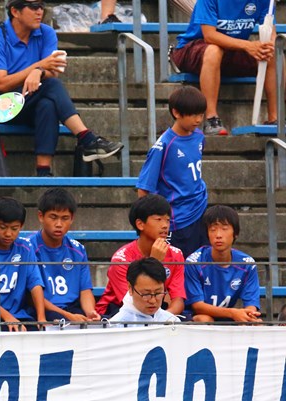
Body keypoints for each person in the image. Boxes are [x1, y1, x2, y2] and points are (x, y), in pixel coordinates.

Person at [0, 0, 123, 176]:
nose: (39, 11)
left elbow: (52, 70)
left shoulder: (46, 33)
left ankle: (43, 171)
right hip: (0, 106)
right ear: (15, 11)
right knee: (51, 86)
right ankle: (86, 138)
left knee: (48, 103)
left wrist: (38, 71)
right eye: (33, 7)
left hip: (30, 99)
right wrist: (38, 67)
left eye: (41, 6)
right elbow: (1, 83)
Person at [172, 0, 276, 135]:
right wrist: (248, 45)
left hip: (232, 50)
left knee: (272, 55)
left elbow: (271, 34)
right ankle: (211, 119)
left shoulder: (265, 1)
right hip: (193, 48)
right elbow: (209, 36)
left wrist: (269, 45)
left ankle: (275, 120)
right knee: (214, 51)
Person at [136, 85, 209, 259]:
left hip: (200, 210)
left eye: (201, 115)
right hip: (177, 220)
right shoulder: (163, 145)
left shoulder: (199, 136)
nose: (198, 120)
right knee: (173, 266)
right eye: (193, 115)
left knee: (200, 265)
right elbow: (144, 189)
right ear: (176, 113)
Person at [96, 194, 186, 316]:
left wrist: (164, 319)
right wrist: (154, 262)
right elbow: (131, 303)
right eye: (158, 219)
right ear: (140, 224)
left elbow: (178, 301)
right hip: (118, 310)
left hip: (156, 310)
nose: (165, 225)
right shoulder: (121, 259)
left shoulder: (176, 255)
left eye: (167, 220)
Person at [29, 188, 100, 322]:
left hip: (72, 308)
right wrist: (69, 317)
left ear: (72, 219)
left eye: (65, 218)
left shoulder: (78, 250)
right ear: (41, 216)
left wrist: (90, 312)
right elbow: (30, 296)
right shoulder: (28, 248)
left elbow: (85, 290)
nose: (59, 224)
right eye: (53, 217)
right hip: (43, 310)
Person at [0, 197, 46, 331]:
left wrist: (41, 317)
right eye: (3, 227)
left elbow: (35, 284)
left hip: (21, 316)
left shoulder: (26, 247)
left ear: (21, 226)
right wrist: (7, 317)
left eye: (14, 228)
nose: (8, 233)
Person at [185, 205, 261, 323]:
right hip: (196, 316)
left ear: (235, 233)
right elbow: (197, 306)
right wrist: (232, 313)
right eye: (213, 229)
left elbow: (251, 303)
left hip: (229, 317)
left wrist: (249, 315)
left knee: (254, 324)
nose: (218, 235)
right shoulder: (194, 262)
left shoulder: (247, 264)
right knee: (205, 319)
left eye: (224, 229)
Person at [109, 257, 181, 327]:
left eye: (158, 293)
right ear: (130, 288)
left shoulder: (172, 322)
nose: (153, 301)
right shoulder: (116, 326)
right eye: (146, 294)